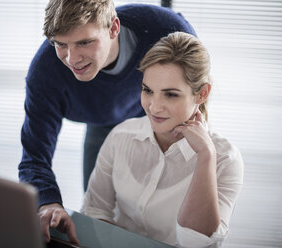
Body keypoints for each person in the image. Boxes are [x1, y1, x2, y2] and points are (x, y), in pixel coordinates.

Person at [18, 0, 196, 244]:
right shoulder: (45, 73)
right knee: (97, 219)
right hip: (101, 122)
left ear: (113, 28)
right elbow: (34, 158)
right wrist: (48, 204)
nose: (72, 59)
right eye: (60, 44)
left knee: (163, 216)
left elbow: (195, 92)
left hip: (158, 118)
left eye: (84, 42)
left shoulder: (165, 30)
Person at [81, 32, 244, 248]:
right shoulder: (120, 137)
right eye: (148, 90)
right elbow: (94, 212)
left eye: (171, 94)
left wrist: (206, 156)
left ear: (202, 93)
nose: (154, 107)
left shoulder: (224, 159)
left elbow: (196, 242)